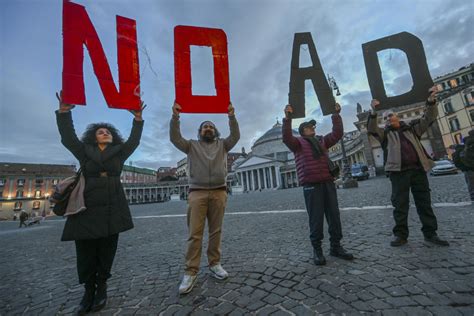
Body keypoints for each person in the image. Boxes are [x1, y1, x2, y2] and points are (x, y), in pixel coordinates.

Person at [55, 91, 144, 314]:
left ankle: (102, 286)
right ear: (93, 138)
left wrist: (138, 119)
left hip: (113, 203)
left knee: (107, 249)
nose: (103, 133)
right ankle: (88, 290)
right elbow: (68, 138)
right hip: (86, 204)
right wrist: (64, 112)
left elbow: (134, 140)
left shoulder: (120, 153)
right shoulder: (84, 152)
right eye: (99, 132)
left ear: (113, 136)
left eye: (107, 131)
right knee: (84, 249)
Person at [170, 101, 240, 294]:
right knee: (195, 233)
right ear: (199, 132)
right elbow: (175, 138)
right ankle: (190, 271)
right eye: (204, 127)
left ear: (215, 131)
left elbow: (235, 136)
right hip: (197, 193)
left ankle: (215, 263)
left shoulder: (223, 145)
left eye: (210, 126)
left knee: (216, 231)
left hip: (219, 191)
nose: (208, 129)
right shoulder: (190, 146)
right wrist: (175, 117)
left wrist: (232, 116)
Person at [367, 86, 449, 247]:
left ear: (396, 116)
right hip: (398, 173)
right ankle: (401, 236)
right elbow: (371, 128)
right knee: (400, 205)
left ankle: (430, 234)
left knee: (424, 203)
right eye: (385, 118)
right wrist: (372, 111)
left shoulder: (412, 128)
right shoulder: (384, 135)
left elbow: (428, 118)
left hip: (418, 170)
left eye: (390, 115)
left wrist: (431, 101)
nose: (389, 118)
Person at [282, 103, 353, 266]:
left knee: (334, 216)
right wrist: (287, 119)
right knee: (316, 219)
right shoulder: (297, 143)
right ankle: (317, 250)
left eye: (313, 126)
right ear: (302, 131)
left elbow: (337, 133)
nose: (312, 128)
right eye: (308, 127)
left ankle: (336, 247)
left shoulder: (322, 141)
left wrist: (335, 115)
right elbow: (286, 137)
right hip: (311, 185)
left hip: (328, 182)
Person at [453, 129, 474, 201]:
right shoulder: (471, 144)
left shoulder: (466, 144)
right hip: (470, 168)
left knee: (471, 188)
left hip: (467, 169)